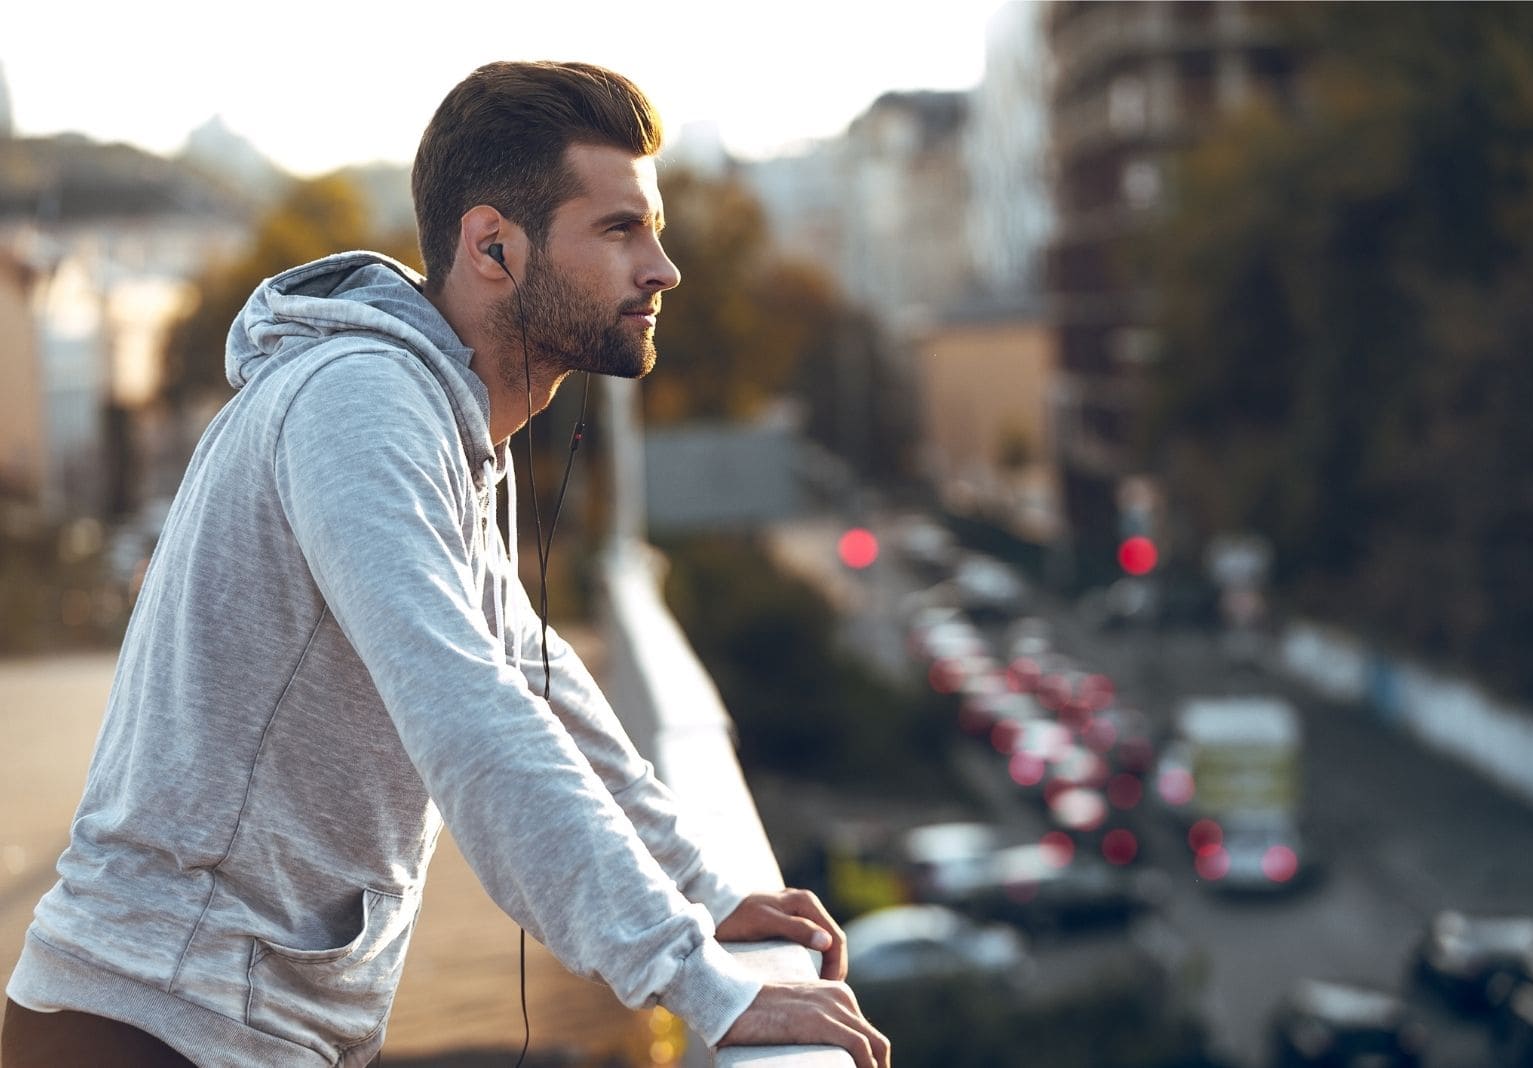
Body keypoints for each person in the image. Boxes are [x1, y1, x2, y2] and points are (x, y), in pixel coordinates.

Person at [2, 60, 889, 1068]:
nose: (661, 269)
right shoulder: (361, 405)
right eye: (618, 229)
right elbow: (469, 710)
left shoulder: (449, 425)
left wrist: (700, 888)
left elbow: (529, 677)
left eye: (655, 231)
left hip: (243, 1027)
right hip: (152, 1024)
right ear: (492, 245)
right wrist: (691, 979)